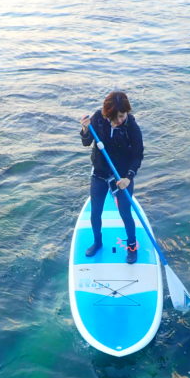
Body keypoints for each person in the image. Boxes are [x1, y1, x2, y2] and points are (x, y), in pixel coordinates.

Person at [79, 90, 143, 264]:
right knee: (95, 212)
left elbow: (138, 155)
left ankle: (131, 246)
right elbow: (86, 142)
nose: (119, 120)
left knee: (125, 212)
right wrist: (85, 128)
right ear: (107, 114)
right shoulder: (98, 118)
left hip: (121, 176)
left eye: (122, 116)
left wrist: (128, 177)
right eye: (116, 117)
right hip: (99, 173)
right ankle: (98, 243)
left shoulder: (131, 126)